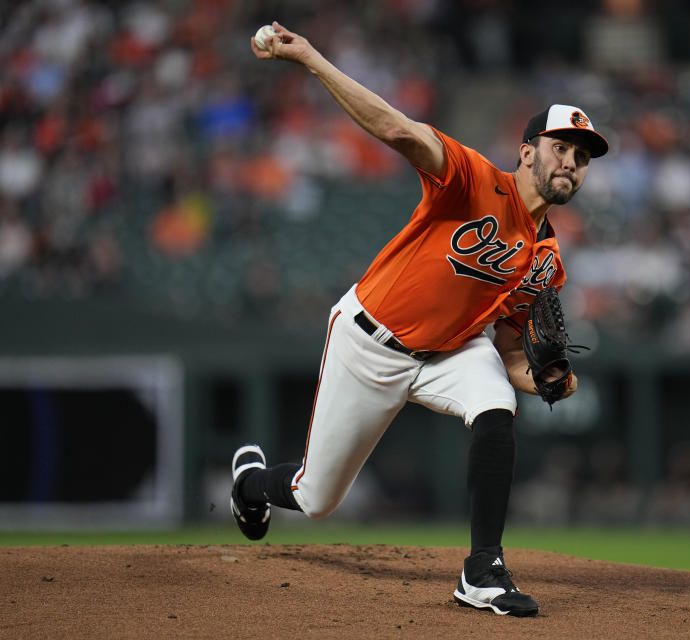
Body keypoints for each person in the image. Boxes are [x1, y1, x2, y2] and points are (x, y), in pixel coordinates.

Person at [230, 21, 608, 618]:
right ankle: (250, 485)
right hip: (369, 341)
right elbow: (395, 128)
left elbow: (512, 355)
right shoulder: (471, 177)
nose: (572, 162)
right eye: (561, 147)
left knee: (496, 408)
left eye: (582, 156)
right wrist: (311, 58)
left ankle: (482, 569)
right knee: (317, 496)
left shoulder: (546, 258)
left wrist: (547, 382)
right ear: (528, 150)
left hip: (453, 352)